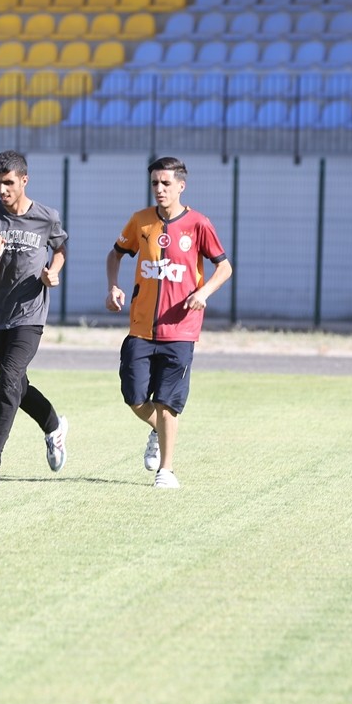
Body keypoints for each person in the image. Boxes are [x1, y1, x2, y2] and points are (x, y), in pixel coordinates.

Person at [105, 156, 232, 489]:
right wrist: (113, 286)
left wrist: (203, 293)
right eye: (154, 183)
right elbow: (116, 253)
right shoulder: (140, 221)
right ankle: (156, 431)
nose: (159, 189)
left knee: (167, 402)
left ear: (181, 185)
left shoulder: (199, 225)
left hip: (181, 329)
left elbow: (225, 267)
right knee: (133, 396)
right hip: (141, 328)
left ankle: (166, 470)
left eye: (165, 183)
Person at [0, 150, 69, 486]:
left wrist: (53, 272)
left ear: (24, 180)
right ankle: (53, 425)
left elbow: (61, 248)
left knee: (9, 377)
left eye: (8, 182)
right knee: (17, 385)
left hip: (31, 314)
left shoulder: (46, 217)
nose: (2, 189)